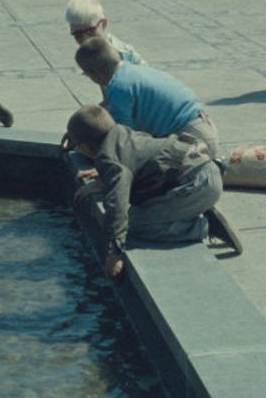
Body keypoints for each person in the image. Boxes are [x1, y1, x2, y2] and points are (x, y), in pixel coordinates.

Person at [62, 104, 241, 280]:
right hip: (204, 170)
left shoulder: (110, 160)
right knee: (144, 210)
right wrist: (103, 177)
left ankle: (205, 226)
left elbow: (117, 205)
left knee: (136, 224)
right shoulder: (122, 133)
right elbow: (134, 161)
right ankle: (195, 208)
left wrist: (113, 252)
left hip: (196, 187)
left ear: (87, 147)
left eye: (77, 146)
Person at [75, 36, 218, 158]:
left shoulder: (119, 87)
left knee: (144, 166)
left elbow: (123, 140)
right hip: (204, 127)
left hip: (193, 142)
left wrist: (102, 169)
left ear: (95, 74)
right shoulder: (132, 71)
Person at [64, 0, 146, 65]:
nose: (85, 38)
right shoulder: (84, 53)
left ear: (103, 24)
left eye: (90, 30)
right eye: (78, 33)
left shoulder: (122, 57)